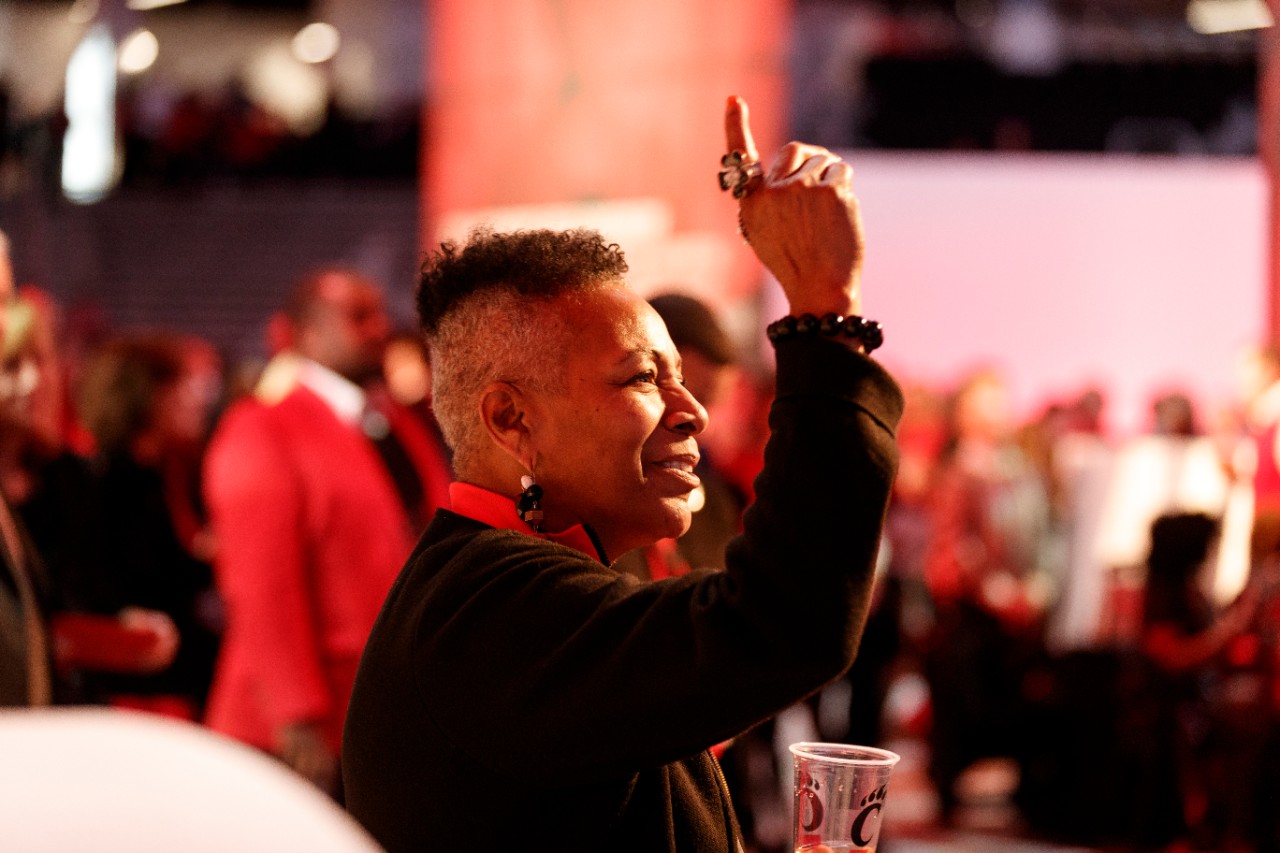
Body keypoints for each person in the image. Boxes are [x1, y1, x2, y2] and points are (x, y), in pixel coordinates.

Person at [342, 97, 902, 852]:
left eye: (683, 378)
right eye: (643, 378)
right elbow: (782, 621)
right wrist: (824, 315)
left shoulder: (505, 587)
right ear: (511, 420)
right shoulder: (485, 614)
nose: (691, 412)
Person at [202, 266, 452, 796]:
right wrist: (295, 716)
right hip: (298, 730)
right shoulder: (262, 427)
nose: (379, 328)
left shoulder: (393, 422)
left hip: (383, 712)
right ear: (309, 333)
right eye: (359, 316)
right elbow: (261, 586)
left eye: (379, 314)